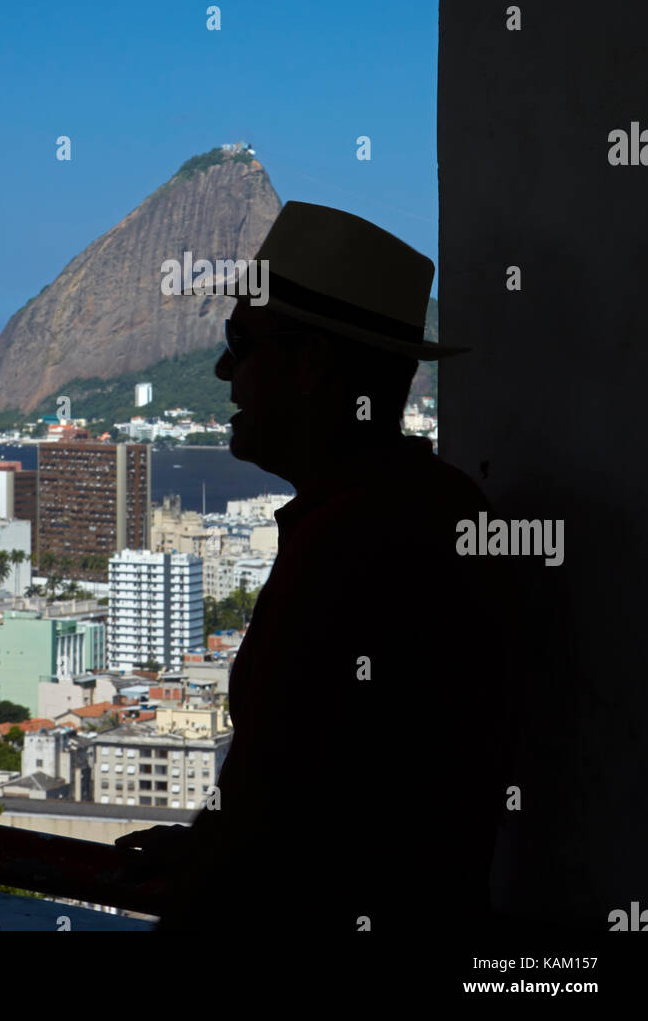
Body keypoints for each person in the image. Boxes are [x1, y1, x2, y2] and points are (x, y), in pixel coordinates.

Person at [114, 203, 513, 936]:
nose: (222, 369)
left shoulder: (354, 539)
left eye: (241, 342)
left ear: (310, 366)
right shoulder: (439, 504)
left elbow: (285, 803)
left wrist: (210, 866)